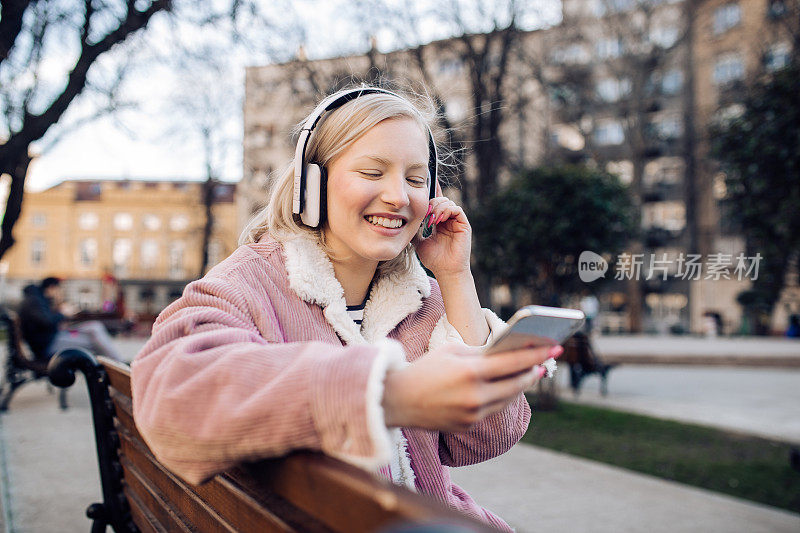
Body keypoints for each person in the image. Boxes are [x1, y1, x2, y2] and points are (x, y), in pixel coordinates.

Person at [131, 86, 561, 531]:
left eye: (416, 179)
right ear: (310, 182)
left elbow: (486, 440)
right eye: (372, 173)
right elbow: (174, 395)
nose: (398, 196)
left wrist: (455, 278)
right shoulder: (248, 284)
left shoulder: (421, 297)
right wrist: (390, 394)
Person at [18, 277, 125, 362]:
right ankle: (120, 366)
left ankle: (119, 365)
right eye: (59, 290)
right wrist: (63, 313)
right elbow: (47, 322)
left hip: (52, 338)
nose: (60, 293)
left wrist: (60, 314)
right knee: (95, 339)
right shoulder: (34, 301)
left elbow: (45, 322)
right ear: (52, 288)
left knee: (94, 327)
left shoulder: (37, 299)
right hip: (48, 345)